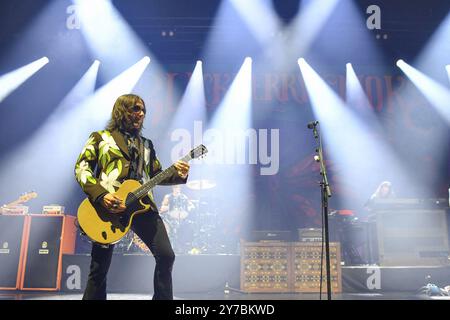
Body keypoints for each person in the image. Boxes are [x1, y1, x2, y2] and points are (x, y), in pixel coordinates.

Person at [74, 94, 190, 300]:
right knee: (99, 269)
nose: (141, 113)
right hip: (108, 208)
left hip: (142, 207)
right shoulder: (100, 138)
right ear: (122, 111)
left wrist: (179, 174)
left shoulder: (146, 144)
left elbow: (156, 175)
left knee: (166, 256)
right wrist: (102, 196)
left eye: (143, 110)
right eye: (136, 109)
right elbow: (81, 168)